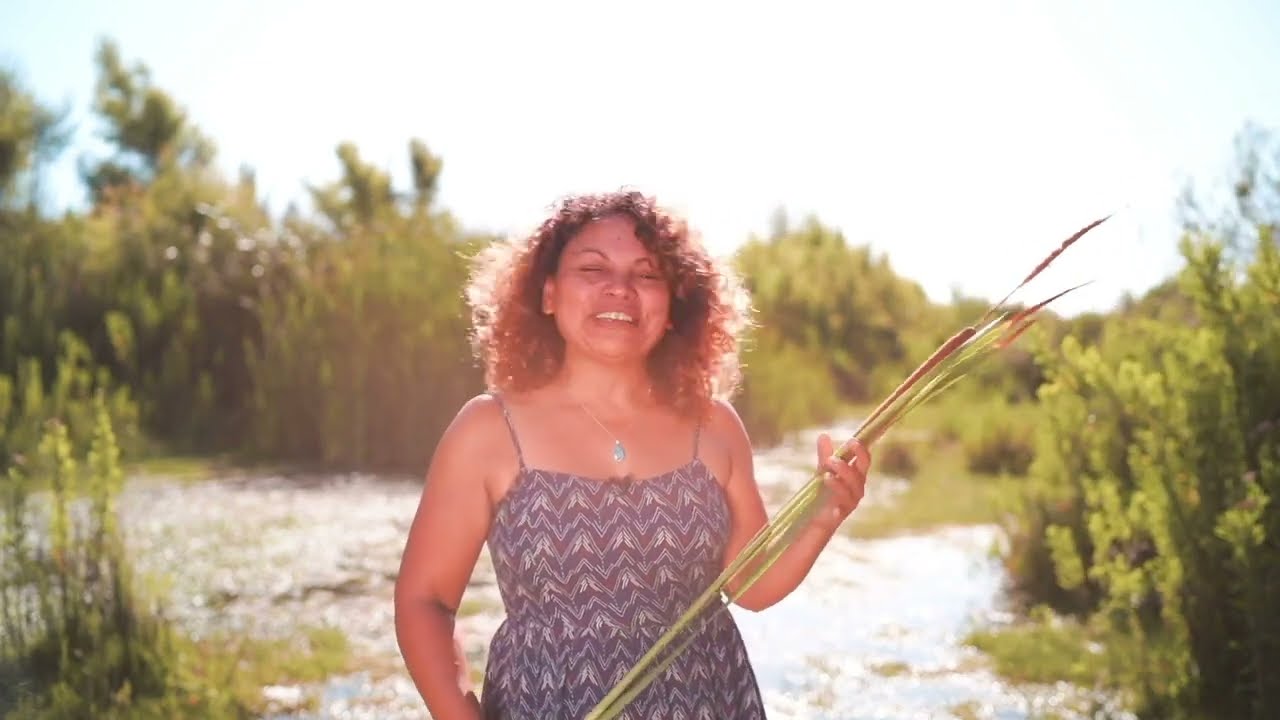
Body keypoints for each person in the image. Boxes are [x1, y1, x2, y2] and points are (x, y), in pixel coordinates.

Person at [394, 189, 872, 719]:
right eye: (592, 269)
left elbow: (749, 587)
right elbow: (425, 602)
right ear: (548, 293)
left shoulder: (714, 426)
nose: (619, 289)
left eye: (646, 276)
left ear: (673, 306)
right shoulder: (488, 429)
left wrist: (823, 517)